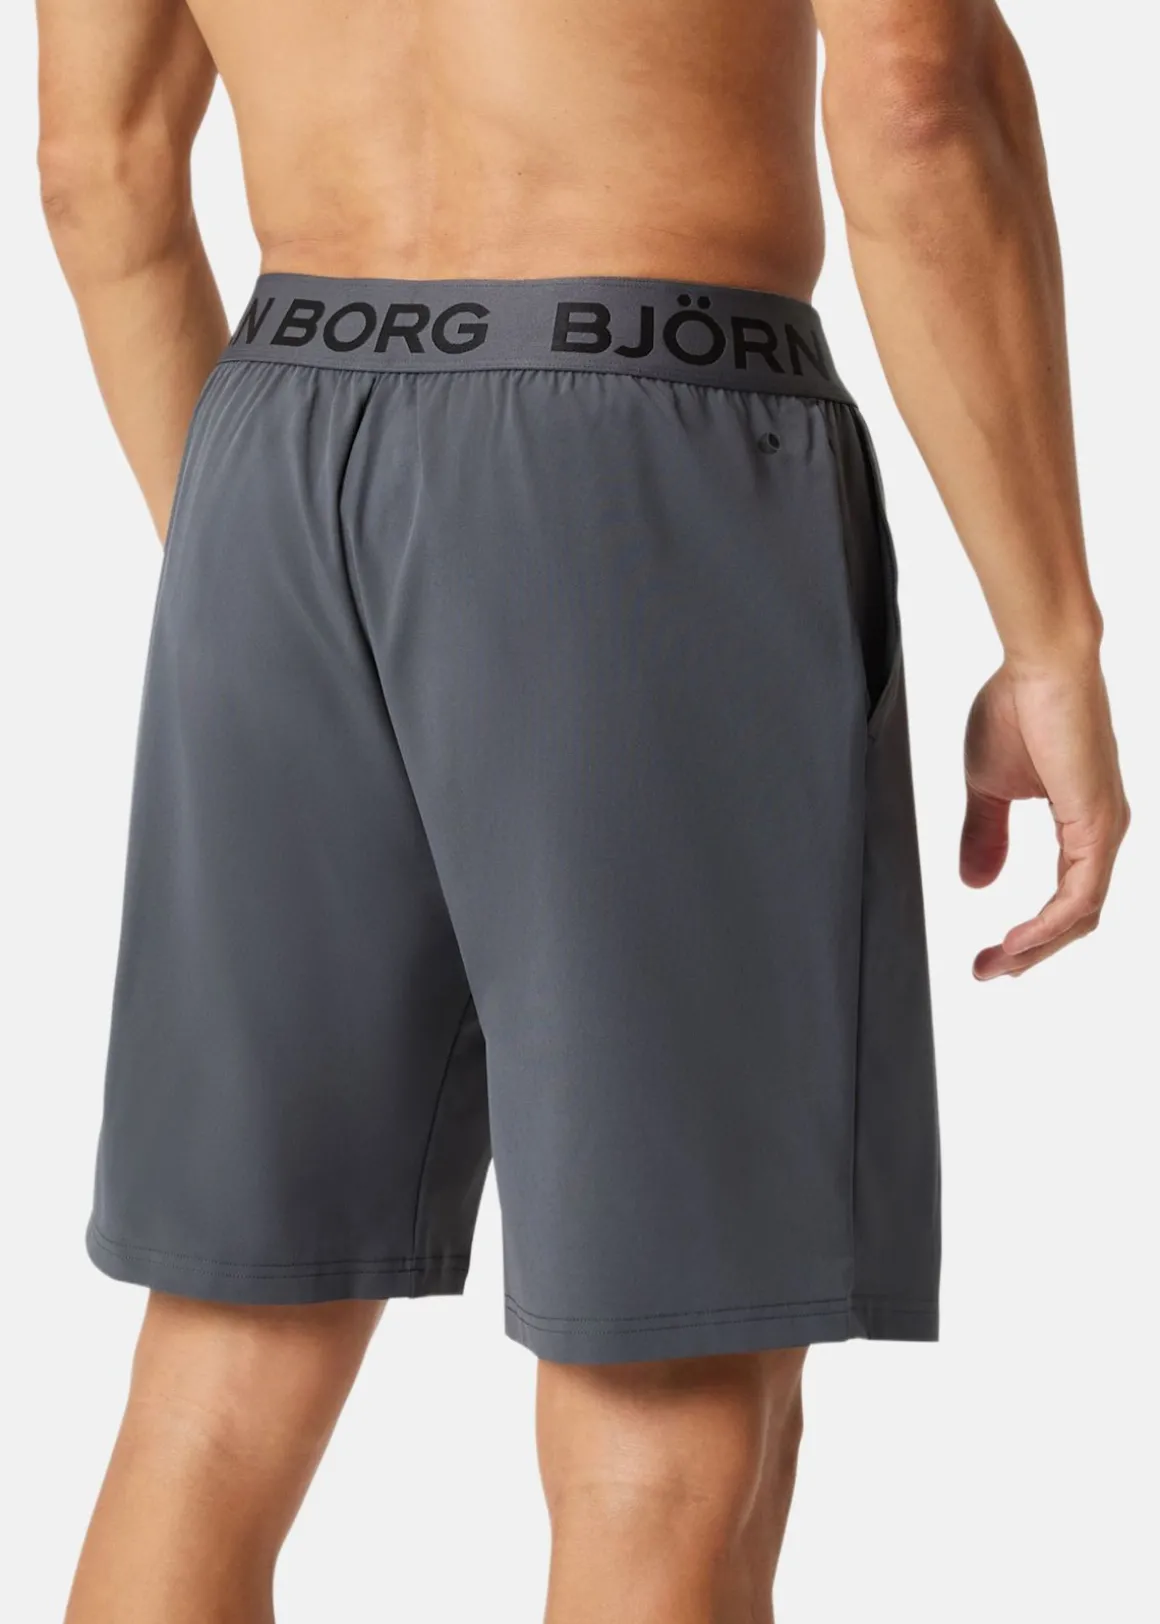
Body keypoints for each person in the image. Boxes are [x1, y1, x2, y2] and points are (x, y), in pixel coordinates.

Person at [38, 0, 1128, 1618]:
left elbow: (97, 170)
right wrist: (1050, 638)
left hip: (274, 452)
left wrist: (269, 583)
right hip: (642, 441)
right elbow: (917, 98)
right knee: (667, 1425)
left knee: (216, 1381)